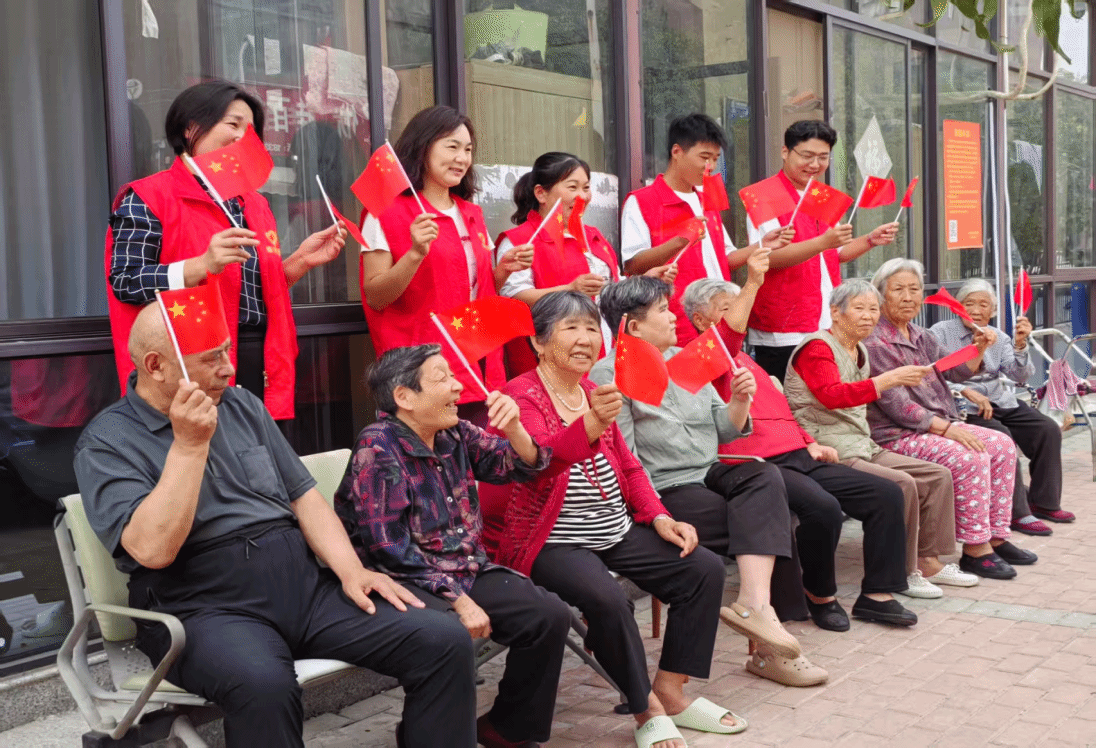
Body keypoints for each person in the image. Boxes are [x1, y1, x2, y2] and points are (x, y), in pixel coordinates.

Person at [73, 303, 476, 748]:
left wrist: (351, 571)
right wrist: (188, 447)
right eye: (211, 358)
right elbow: (152, 550)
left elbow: (304, 496)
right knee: (264, 687)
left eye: (227, 350)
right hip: (203, 608)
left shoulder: (240, 404)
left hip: (304, 588)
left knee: (442, 639)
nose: (228, 367)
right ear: (156, 366)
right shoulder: (109, 440)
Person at [481, 291, 744, 748]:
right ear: (539, 342)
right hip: (550, 539)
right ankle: (646, 708)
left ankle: (671, 689)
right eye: (570, 328)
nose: (585, 339)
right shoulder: (520, 397)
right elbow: (538, 461)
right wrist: (590, 425)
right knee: (608, 599)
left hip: (611, 527)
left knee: (701, 568)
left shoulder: (589, 391)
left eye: (590, 328)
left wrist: (658, 516)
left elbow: (629, 466)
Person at [589, 277, 827, 688]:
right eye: (663, 311)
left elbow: (725, 428)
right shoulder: (609, 374)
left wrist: (740, 400)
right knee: (776, 524)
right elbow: (625, 460)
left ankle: (754, 606)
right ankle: (771, 648)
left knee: (765, 476)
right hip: (666, 486)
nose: (673, 318)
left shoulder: (685, 358)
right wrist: (653, 511)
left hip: (710, 470)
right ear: (633, 326)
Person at [334, 344, 571, 748]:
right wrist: (459, 601)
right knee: (448, 639)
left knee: (548, 616)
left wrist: (515, 427)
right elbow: (389, 550)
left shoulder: (454, 432)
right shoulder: (378, 448)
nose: (458, 387)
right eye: (442, 378)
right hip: (405, 581)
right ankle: (423, 736)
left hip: (464, 568)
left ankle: (507, 730)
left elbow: (522, 466)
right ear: (405, 397)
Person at [680, 269, 917, 631]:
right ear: (700, 320)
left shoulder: (747, 360)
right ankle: (820, 595)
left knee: (885, 494)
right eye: (729, 308)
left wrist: (810, 441)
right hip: (758, 463)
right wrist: (754, 281)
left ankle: (877, 595)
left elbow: (781, 411)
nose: (739, 316)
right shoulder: (698, 360)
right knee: (824, 509)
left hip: (798, 452)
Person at [106, 80, 346, 419]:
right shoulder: (149, 196)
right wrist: (201, 264)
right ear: (190, 128)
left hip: (258, 354)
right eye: (233, 124)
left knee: (257, 448)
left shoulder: (254, 203)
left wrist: (299, 263)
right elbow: (126, 280)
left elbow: (249, 290)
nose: (241, 137)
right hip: (191, 358)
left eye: (250, 131)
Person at [784, 279, 978, 597]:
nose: (868, 316)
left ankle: (928, 561)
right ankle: (905, 571)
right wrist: (887, 380)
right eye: (859, 308)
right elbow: (832, 396)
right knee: (903, 483)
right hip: (829, 445)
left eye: (873, 309)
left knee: (937, 476)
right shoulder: (817, 348)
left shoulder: (859, 348)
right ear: (835, 312)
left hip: (861, 442)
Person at [864, 258, 1037, 579]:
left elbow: (956, 370)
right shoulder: (874, 341)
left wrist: (979, 348)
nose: (908, 297)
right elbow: (897, 405)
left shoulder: (920, 335)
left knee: (1002, 445)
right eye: (898, 289)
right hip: (897, 433)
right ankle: (975, 548)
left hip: (935, 425)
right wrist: (949, 429)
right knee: (970, 454)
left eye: (914, 289)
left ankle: (996, 537)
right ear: (880, 294)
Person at [359, 105, 530, 422]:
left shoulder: (471, 213)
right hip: (421, 373)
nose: (461, 158)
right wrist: (414, 254)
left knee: (480, 451)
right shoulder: (386, 212)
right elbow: (376, 296)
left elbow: (475, 292)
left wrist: (503, 271)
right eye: (452, 147)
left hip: (478, 365)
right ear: (423, 147)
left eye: (468, 150)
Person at [745, 119, 900, 381]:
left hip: (825, 319)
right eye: (807, 156)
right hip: (784, 325)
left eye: (823, 157)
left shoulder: (820, 194)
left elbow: (834, 254)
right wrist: (823, 242)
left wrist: (870, 240)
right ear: (785, 152)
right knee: (789, 397)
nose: (815, 164)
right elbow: (767, 257)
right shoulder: (765, 194)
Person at [619, 113, 792, 347]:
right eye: (704, 157)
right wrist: (680, 240)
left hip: (719, 321)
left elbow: (724, 259)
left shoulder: (707, 199)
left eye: (715, 158)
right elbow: (633, 265)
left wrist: (761, 245)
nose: (710, 166)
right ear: (677, 152)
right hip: (676, 323)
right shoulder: (642, 201)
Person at [496, 151, 676, 374]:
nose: (582, 196)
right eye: (572, 187)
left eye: (586, 187)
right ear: (541, 193)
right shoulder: (520, 241)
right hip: (549, 360)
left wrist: (643, 280)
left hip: (602, 353)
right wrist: (570, 289)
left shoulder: (594, 237)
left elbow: (609, 290)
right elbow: (513, 298)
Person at [930, 279, 1075, 534]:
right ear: (958, 307)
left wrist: (1020, 344)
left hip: (1000, 399)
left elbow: (1020, 376)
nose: (976, 310)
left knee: (1047, 429)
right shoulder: (940, 332)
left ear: (992, 310)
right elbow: (931, 374)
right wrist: (962, 390)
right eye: (969, 303)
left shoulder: (1000, 336)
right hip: (963, 405)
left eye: (983, 304)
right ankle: (1016, 512)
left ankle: (1044, 503)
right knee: (1002, 437)